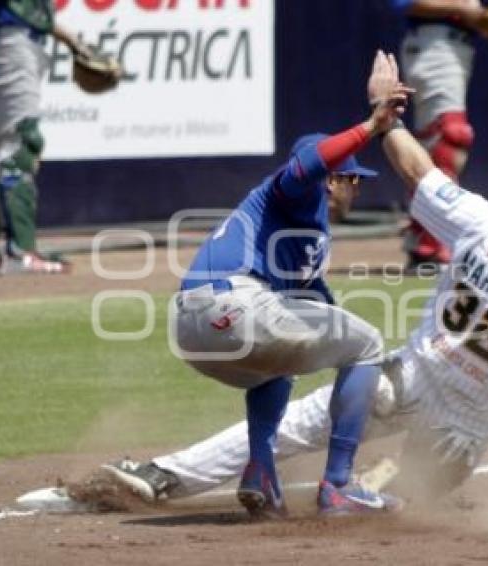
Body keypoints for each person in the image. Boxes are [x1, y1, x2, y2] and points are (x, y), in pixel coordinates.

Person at [94, 52, 488, 516]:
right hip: (462, 432)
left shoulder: (485, 223)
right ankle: (366, 489)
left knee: (293, 427)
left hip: (409, 378)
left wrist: (381, 114)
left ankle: (162, 474)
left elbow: (416, 170)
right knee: (409, 505)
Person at [103, 59, 412, 519]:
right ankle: (338, 487)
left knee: (280, 370)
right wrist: (371, 124)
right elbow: (307, 165)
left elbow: (318, 307)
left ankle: (261, 474)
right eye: (352, 179)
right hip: (233, 304)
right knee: (367, 343)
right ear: (332, 180)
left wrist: (353, 377)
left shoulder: (307, 234)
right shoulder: (294, 191)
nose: (356, 189)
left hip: (195, 330)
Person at [0, 0, 89, 275]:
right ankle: (21, 252)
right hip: (13, 44)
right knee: (21, 143)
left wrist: (73, 41)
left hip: (14, 42)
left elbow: (32, 12)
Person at [390, 0, 486, 270]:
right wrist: (463, 8)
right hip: (435, 46)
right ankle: (430, 244)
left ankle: (423, 239)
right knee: (447, 140)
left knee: (435, 145)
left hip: (452, 47)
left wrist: (482, 19)